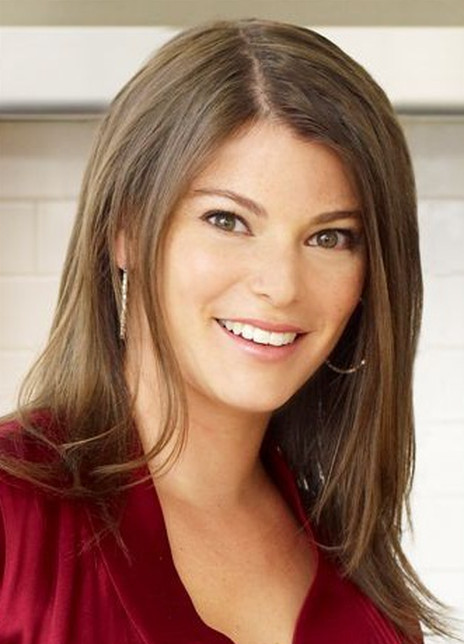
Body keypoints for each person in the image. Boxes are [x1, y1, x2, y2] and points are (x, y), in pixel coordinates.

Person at [0, 18, 453, 644]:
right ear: (124, 229)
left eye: (330, 237)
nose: (282, 285)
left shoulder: (368, 589)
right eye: (227, 220)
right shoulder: (13, 519)